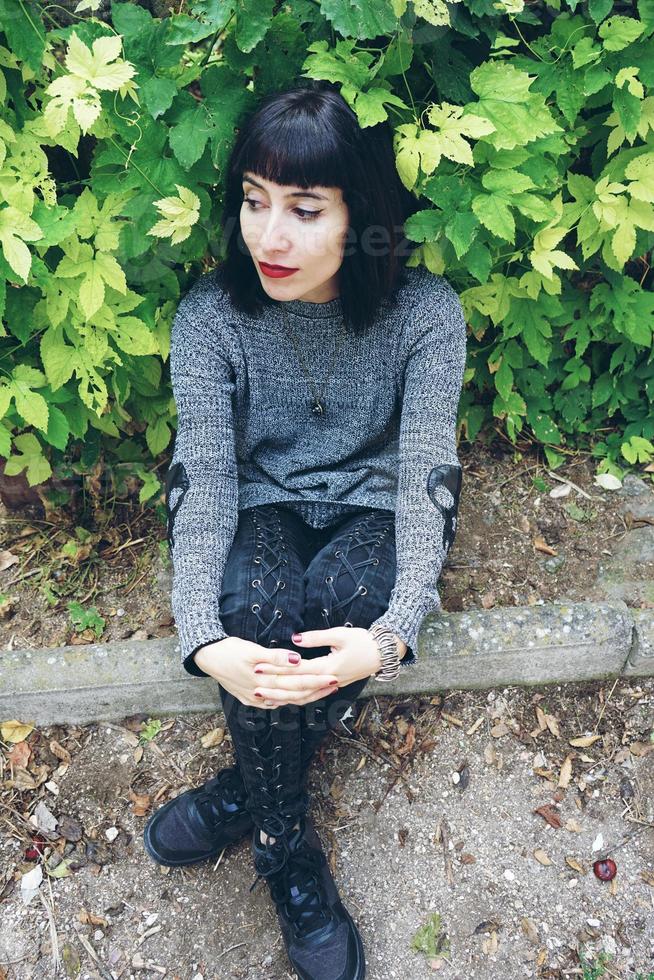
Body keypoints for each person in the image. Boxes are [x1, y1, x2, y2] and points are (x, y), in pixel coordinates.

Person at [143, 79, 467, 980]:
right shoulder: (213, 318)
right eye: (253, 201)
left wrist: (395, 636)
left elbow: (427, 473)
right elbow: (200, 484)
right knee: (254, 608)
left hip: (369, 501)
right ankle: (292, 848)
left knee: (346, 606)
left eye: (303, 208)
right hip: (262, 499)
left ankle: (252, 804)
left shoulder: (425, 315)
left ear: (358, 213)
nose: (269, 237)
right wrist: (202, 641)